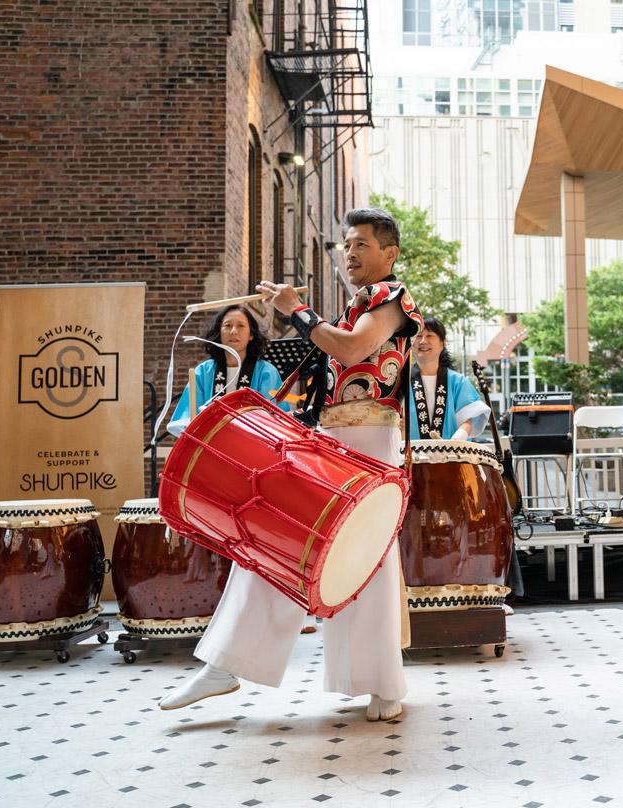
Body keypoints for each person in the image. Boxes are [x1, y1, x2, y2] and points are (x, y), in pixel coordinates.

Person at [159, 207, 423, 722]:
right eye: (346, 244)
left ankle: (382, 683)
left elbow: (352, 351)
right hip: (330, 438)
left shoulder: (392, 298)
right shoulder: (353, 305)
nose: (349, 253)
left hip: (370, 439)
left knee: (364, 558)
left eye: (361, 245)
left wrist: (298, 311)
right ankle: (225, 661)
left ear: (389, 253)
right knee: (273, 541)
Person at [167, 305, 288, 436]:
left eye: (240, 326)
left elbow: (276, 420)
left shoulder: (266, 372)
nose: (233, 331)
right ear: (219, 332)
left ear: (251, 334)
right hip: (210, 447)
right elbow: (185, 420)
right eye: (227, 325)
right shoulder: (203, 372)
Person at [408, 316, 491, 441]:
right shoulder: (401, 380)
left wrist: (456, 442)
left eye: (430, 336)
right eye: (418, 336)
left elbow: (468, 419)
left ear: (442, 343)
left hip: (452, 456)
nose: (423, 341)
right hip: (410, 456)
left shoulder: (458, 382)